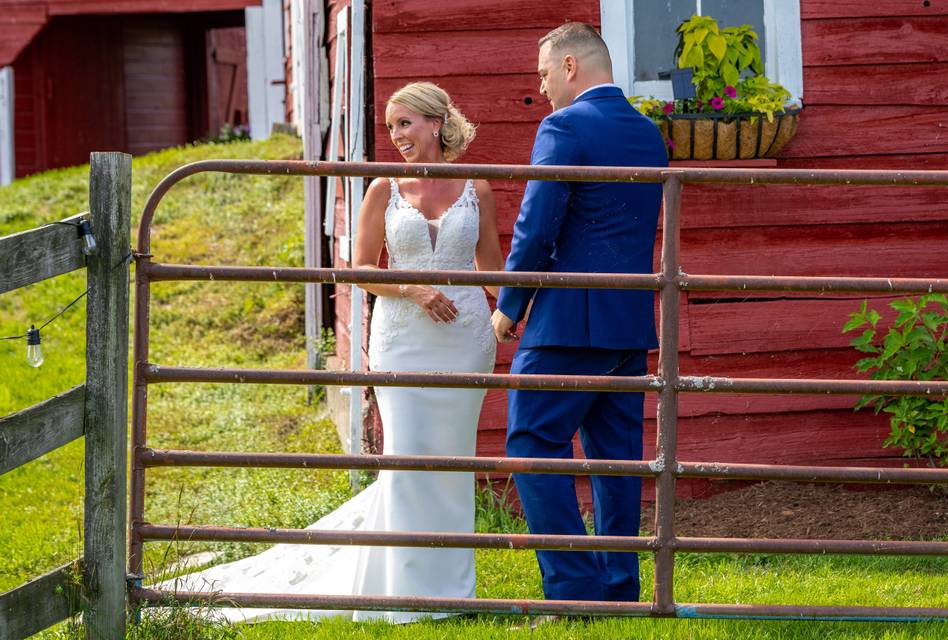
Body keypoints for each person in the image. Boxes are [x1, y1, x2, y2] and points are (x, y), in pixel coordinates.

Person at [160, 82, 502, 623]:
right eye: (392, 128)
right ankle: (404, 595)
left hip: (465, 340)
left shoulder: (477, 189)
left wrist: (508, 313)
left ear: (436, 123)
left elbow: (493, 269)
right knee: (408, 457)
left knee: (452, 462)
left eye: (406, 124)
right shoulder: (383, 189)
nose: (398, 137)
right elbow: (359, 269)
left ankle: (451, 592)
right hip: (402, 339)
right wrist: (410, 287)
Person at [491, 22, 667, 608]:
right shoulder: (647, 133)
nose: (541, 88)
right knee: (616, 460)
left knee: (532, 446)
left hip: (567, 319)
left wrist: (510, 305)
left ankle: (572, 589)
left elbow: (537, 223)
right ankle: (620, 589)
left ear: (570, 66)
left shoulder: (563, 126)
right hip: (628, 320)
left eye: (544, 73)